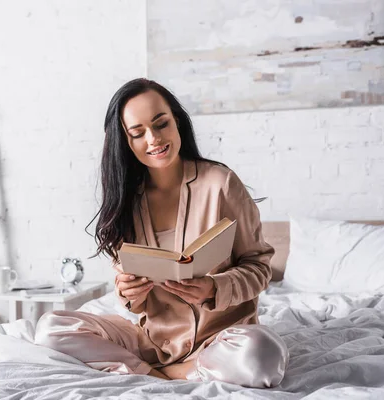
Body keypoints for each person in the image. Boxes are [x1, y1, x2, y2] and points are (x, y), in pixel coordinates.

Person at [34, 78, 288, 387]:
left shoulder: (220, 184)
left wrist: (213, 288)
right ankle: (166, 372)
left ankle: (155, 375)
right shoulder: (124, 202)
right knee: (51, 328)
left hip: (222, 340)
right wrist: (128, 294)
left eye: (161, 124)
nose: (153, 139)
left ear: (176, 121)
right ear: (125, 142)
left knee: (262, 355)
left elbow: (259, 267)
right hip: (154, 343)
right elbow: (130, 297)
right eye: (138, 133)